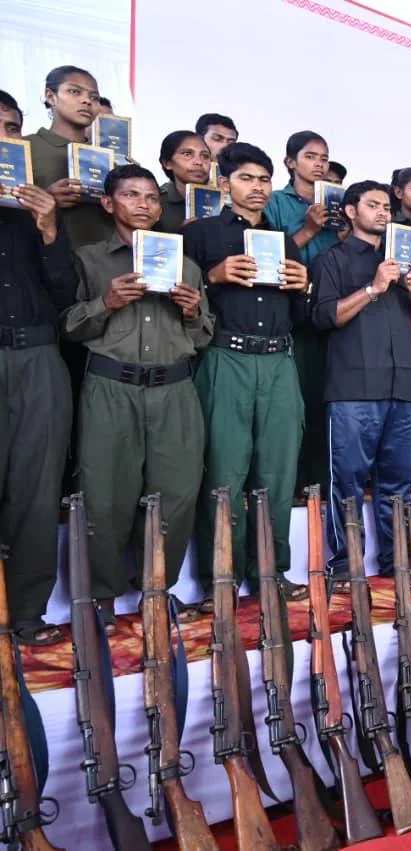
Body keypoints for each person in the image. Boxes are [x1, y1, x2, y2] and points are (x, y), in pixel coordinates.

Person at [65, 163, 213, 628]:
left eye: (150, 196)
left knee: (177, 494)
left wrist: (192, 312)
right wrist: (105, 303)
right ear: (108, 203)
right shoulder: (89, 259)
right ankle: (102, 597)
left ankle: (157, 589)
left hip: (174, 389)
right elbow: (67, 326)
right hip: (111, 388)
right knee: (105, 494)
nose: (144, 204)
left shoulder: (185, 265)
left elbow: (203, 337)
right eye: (131, 195)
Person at [184, 142, 310, 604]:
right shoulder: (200, 235)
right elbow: (173, 296)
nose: (257, 187)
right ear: (224, 183)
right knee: (223, 474)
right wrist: (211, 276)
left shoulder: (284, 240)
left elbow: (301, 316)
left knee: (277, 474)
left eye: (263, 179)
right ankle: (220, 581)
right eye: (246, 178)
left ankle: (271, 574)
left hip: (279, 360)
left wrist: (305, 287)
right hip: (226, 357)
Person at [311, 180, 411, 581]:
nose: (382, 212)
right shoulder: (333, 259)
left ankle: (398, 562)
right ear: (350, 211)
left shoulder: (403, 263)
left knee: (398, 485)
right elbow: (325, 317)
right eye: (373, 205)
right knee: (346, 483)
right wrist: (374, 288)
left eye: (386, 207)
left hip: (404, 389)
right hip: (353, 390)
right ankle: (347, 565)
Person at [0, 94, 77, 645]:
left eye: (11, 128)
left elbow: (66, 293)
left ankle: (27, 614)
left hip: (37, 355)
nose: (3, 138)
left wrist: (49, 228)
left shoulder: (39, 207)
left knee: (36, 488)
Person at [265, 131, 340, 499]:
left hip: (334, 317)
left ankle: (319, 484)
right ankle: (289, 485)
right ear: (290, 162)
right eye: (311, 156)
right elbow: (269, 256)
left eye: (324, 158)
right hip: (290, 316)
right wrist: (310, 229)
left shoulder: (339, 205)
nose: (319, 164)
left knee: (326, 403)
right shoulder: (275, 202)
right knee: (291, 406)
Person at [27, 66, 114, 249]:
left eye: (94, 97)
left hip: (102, 262)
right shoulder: (26, 146)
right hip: (44, 256)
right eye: (74, 91)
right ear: (51, 96)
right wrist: (46, 199)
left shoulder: (109, 159)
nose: (87, 101)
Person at [155, 130, 213, 233]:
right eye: (187, 154)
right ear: (167, 163)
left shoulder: (220, 202)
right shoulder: (156, 202)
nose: (199, 162)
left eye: (205, 156)